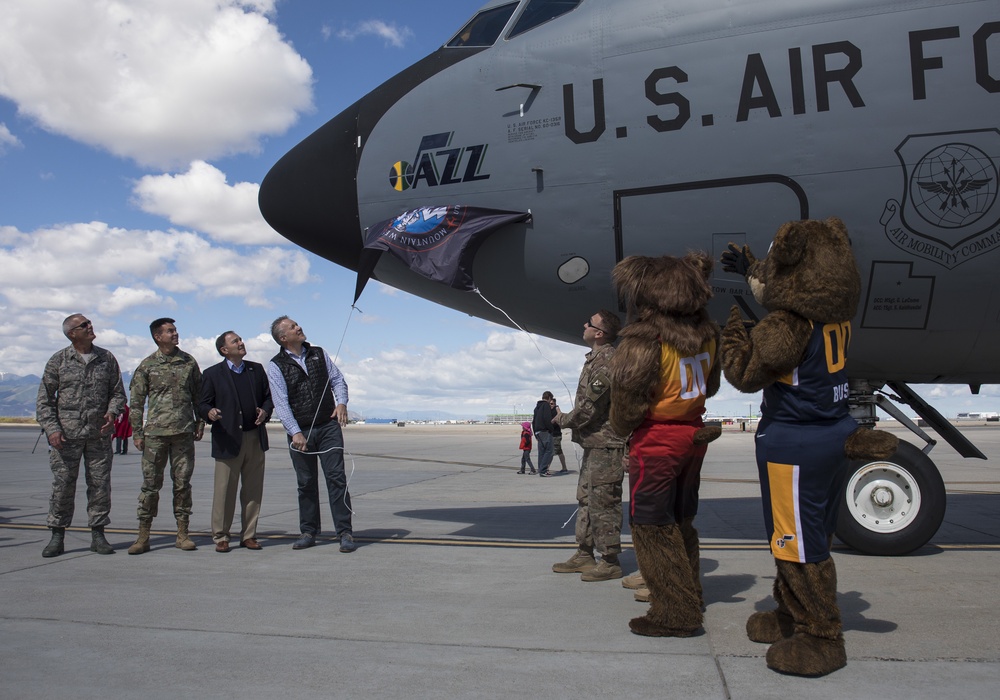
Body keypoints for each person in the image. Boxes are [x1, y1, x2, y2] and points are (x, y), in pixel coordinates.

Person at [36, 314, 126, 557]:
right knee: (63, 486)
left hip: (98, 435)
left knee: (100, 485)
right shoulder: (58, 361)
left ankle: (98, 534)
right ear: (71, 333)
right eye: (84, 325)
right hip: (66, 438)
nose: (90, 327)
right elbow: (44, 400)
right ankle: (57, 535)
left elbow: (118, 393)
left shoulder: (106, 358)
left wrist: (112, 412)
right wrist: (53, 429)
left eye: (90, 323)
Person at [266, 316, 356, 553]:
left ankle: (344, 532)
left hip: (328, 427)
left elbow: (338, 380)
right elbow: (281, 402)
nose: (299, 327)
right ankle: (308, 531)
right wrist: (295, 432)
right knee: (306, 483)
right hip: (300, 431)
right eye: (293, 327)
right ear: (284, 338)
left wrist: (342, 403)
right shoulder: (276, 365)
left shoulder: (319, 353)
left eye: (297, 324)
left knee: (336, 478)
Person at [551, 310, 627, 581]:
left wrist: (562, 419)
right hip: (593, 445)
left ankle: (610, 560)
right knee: (586, 500)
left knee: (604, 502)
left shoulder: (607, 361)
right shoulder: (594, 359)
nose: (583, 325)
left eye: (589, 323)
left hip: (606, 446)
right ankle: (585, 553)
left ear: (599, 333)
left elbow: (588, 409)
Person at [127, 318, 204, 555]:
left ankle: (182, 534)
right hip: (155, 436)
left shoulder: (188, 361)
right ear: (158, 337)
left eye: (175, 330)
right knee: (151, 486)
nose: (175, 334)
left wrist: (199, 421)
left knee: (182, 484)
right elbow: (137, 403)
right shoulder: (147, 365)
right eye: (170, 331)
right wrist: (137, 433)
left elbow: (199, 396)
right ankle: (143, 536)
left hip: (183, 434)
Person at [199, 331, 273, 553]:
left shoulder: (256, 369)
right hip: (228, 439)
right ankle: (221, 536)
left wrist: (265, 411)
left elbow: (268, 397)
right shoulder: (212, 374)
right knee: (225, 491)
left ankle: (248, 535)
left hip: (254, 438)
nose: (241, 343)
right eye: (235, 341)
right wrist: (209, 412)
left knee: (253, 490)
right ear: (224, 350)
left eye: (241, 339)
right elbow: (202, 403)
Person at [532, 390, 555, 476]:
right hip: (545, 431)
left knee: (541, 451)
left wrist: (535, 433)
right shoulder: (546, 406)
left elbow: (533, 421)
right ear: (549, 398)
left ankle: (541, 469)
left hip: (538, 431)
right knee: (549, 450)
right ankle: (543, 469)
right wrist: (551, 429)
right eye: (550, 399)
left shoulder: (537, 407)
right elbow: (547, 419)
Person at [549, 397, 569, 473]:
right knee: (559, 452)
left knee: (553, 451)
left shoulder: (556, 410)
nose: (551, 405)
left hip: (556, 434)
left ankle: (547, 468)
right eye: (549, 404)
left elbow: (560, 415)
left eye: (552, 404)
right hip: (551, 434)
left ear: (555, 404)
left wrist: (554, 419)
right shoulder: (548, 411)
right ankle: (564, 467)